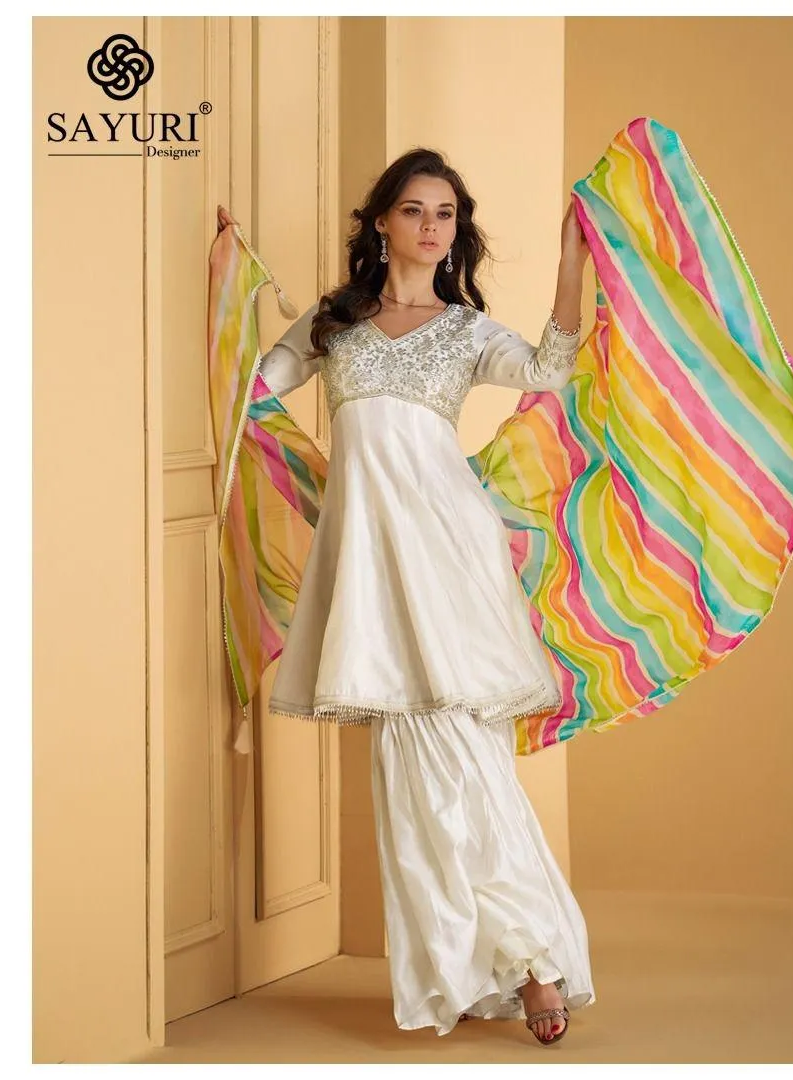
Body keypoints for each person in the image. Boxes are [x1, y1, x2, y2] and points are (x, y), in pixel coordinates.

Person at [215, 147, 596, 1045]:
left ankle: (538, 962)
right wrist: (232, 282)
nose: (432, 226)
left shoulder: (465, 330)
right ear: (382, 221)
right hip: (370, 561)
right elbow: (253, 383)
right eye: (416, 210)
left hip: (450, 551)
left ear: (456, 232)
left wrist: (570, 265)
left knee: (467, 753)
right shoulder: (336, 321)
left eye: (446, 214)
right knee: (408, 767)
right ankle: (462, 966)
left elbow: (549, 370)